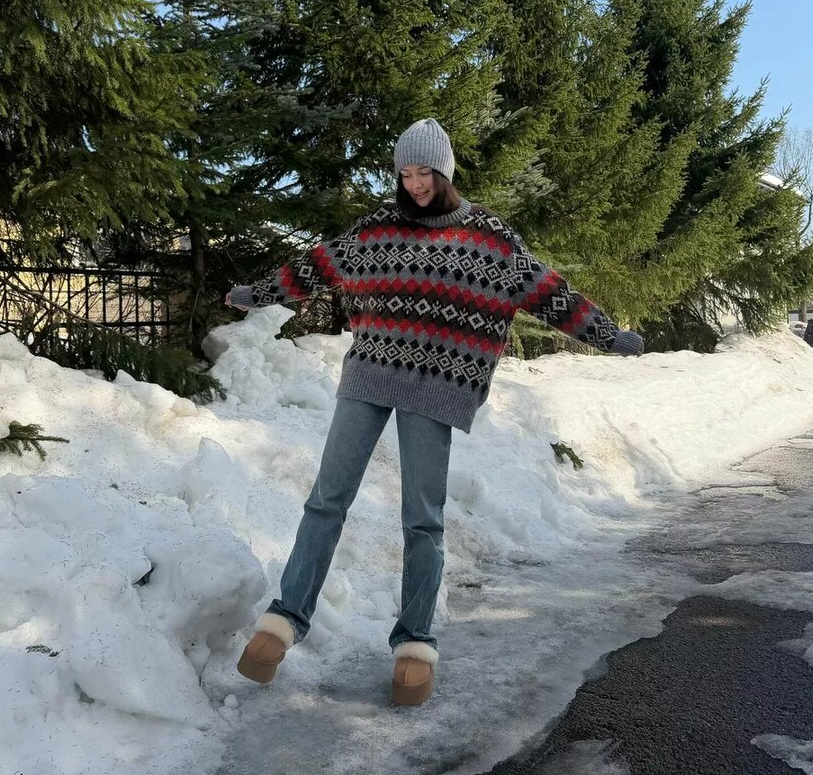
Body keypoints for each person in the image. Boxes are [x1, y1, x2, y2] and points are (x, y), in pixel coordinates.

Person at [225, 119, 644, 706]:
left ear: (444, 171)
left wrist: (607, 335)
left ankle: (415, 645)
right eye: (406, 173)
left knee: (422, 518)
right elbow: (317, 267)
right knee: (327, 498)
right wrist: (259, 293)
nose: (416, 184)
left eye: (425, 172)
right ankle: (283, 620)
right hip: (369, 373)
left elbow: (550, 294)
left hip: (435, 386)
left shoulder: (490, 238)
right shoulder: (377, 229)